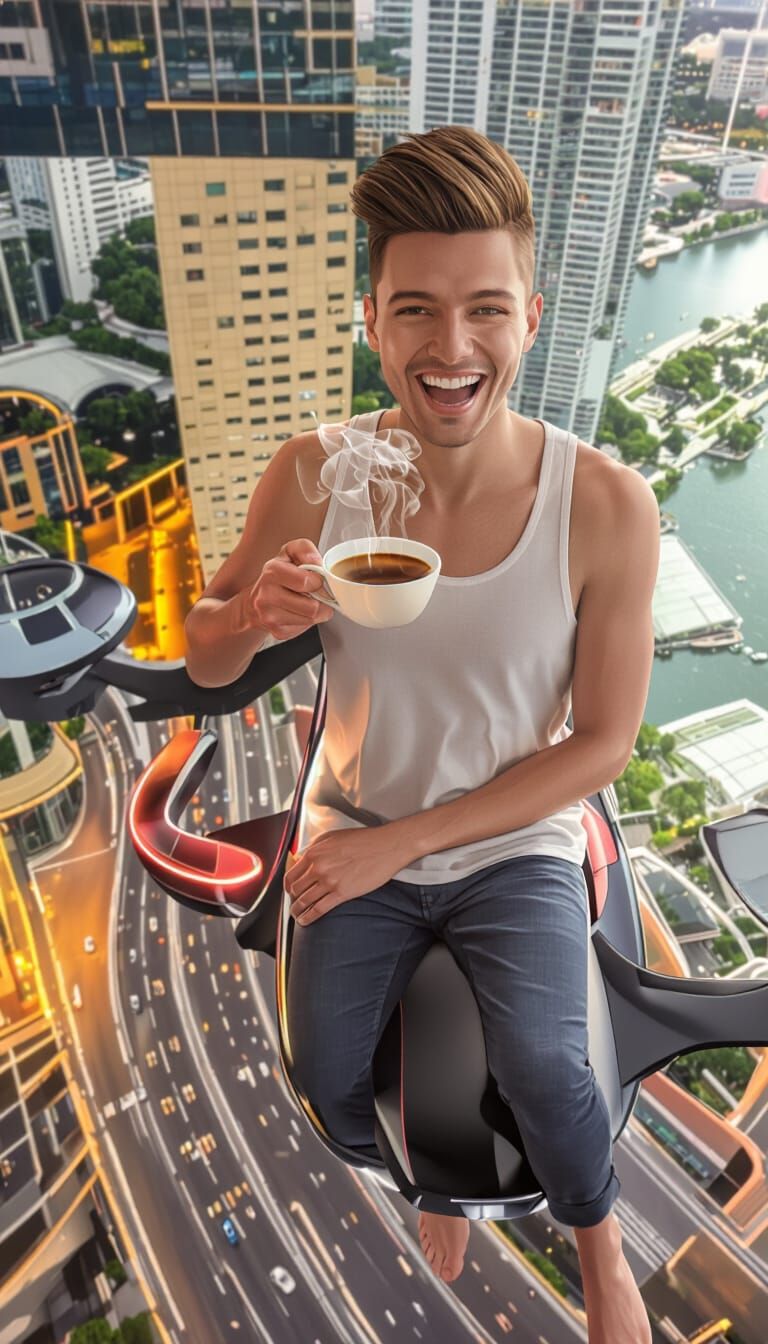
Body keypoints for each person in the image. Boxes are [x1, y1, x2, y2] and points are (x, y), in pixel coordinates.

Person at [184, 126, 660, 1344]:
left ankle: (601, 1253)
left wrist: (415, 848)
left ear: (533, 318)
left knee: (556, 1076)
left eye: (486, 311)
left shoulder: (603, 505)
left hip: (512, 838)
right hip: (356, 822)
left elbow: (603, 743)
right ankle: (432, 1186)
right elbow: (206, 656)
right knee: (328, 1077)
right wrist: (252, 613)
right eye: (416, 313)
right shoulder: (317, 471)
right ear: (371, 321)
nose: (452, 351)